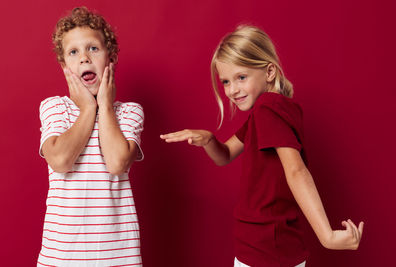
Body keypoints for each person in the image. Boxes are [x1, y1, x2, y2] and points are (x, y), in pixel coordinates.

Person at [160, 25, 364, 267]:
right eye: (225, 81)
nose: (232, 90)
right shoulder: (264, 113)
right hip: (263, 245)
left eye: (241, 77)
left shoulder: (268, 109)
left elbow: (296, 170)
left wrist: (326, 235)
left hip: (267, 249)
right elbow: (225, 155)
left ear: (269, 72)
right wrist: (210, 140)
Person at [37, 7, 144, 266]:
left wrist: (104, 107)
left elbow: (117, 163)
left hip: (118, 256)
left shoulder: (129, 112)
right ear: (64, 66)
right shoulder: (54, 108)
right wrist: (88, 108)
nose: (84, 58)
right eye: (74, 52)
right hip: (61, 256)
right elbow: (60, 160)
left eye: (93, 49)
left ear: (111, 58)